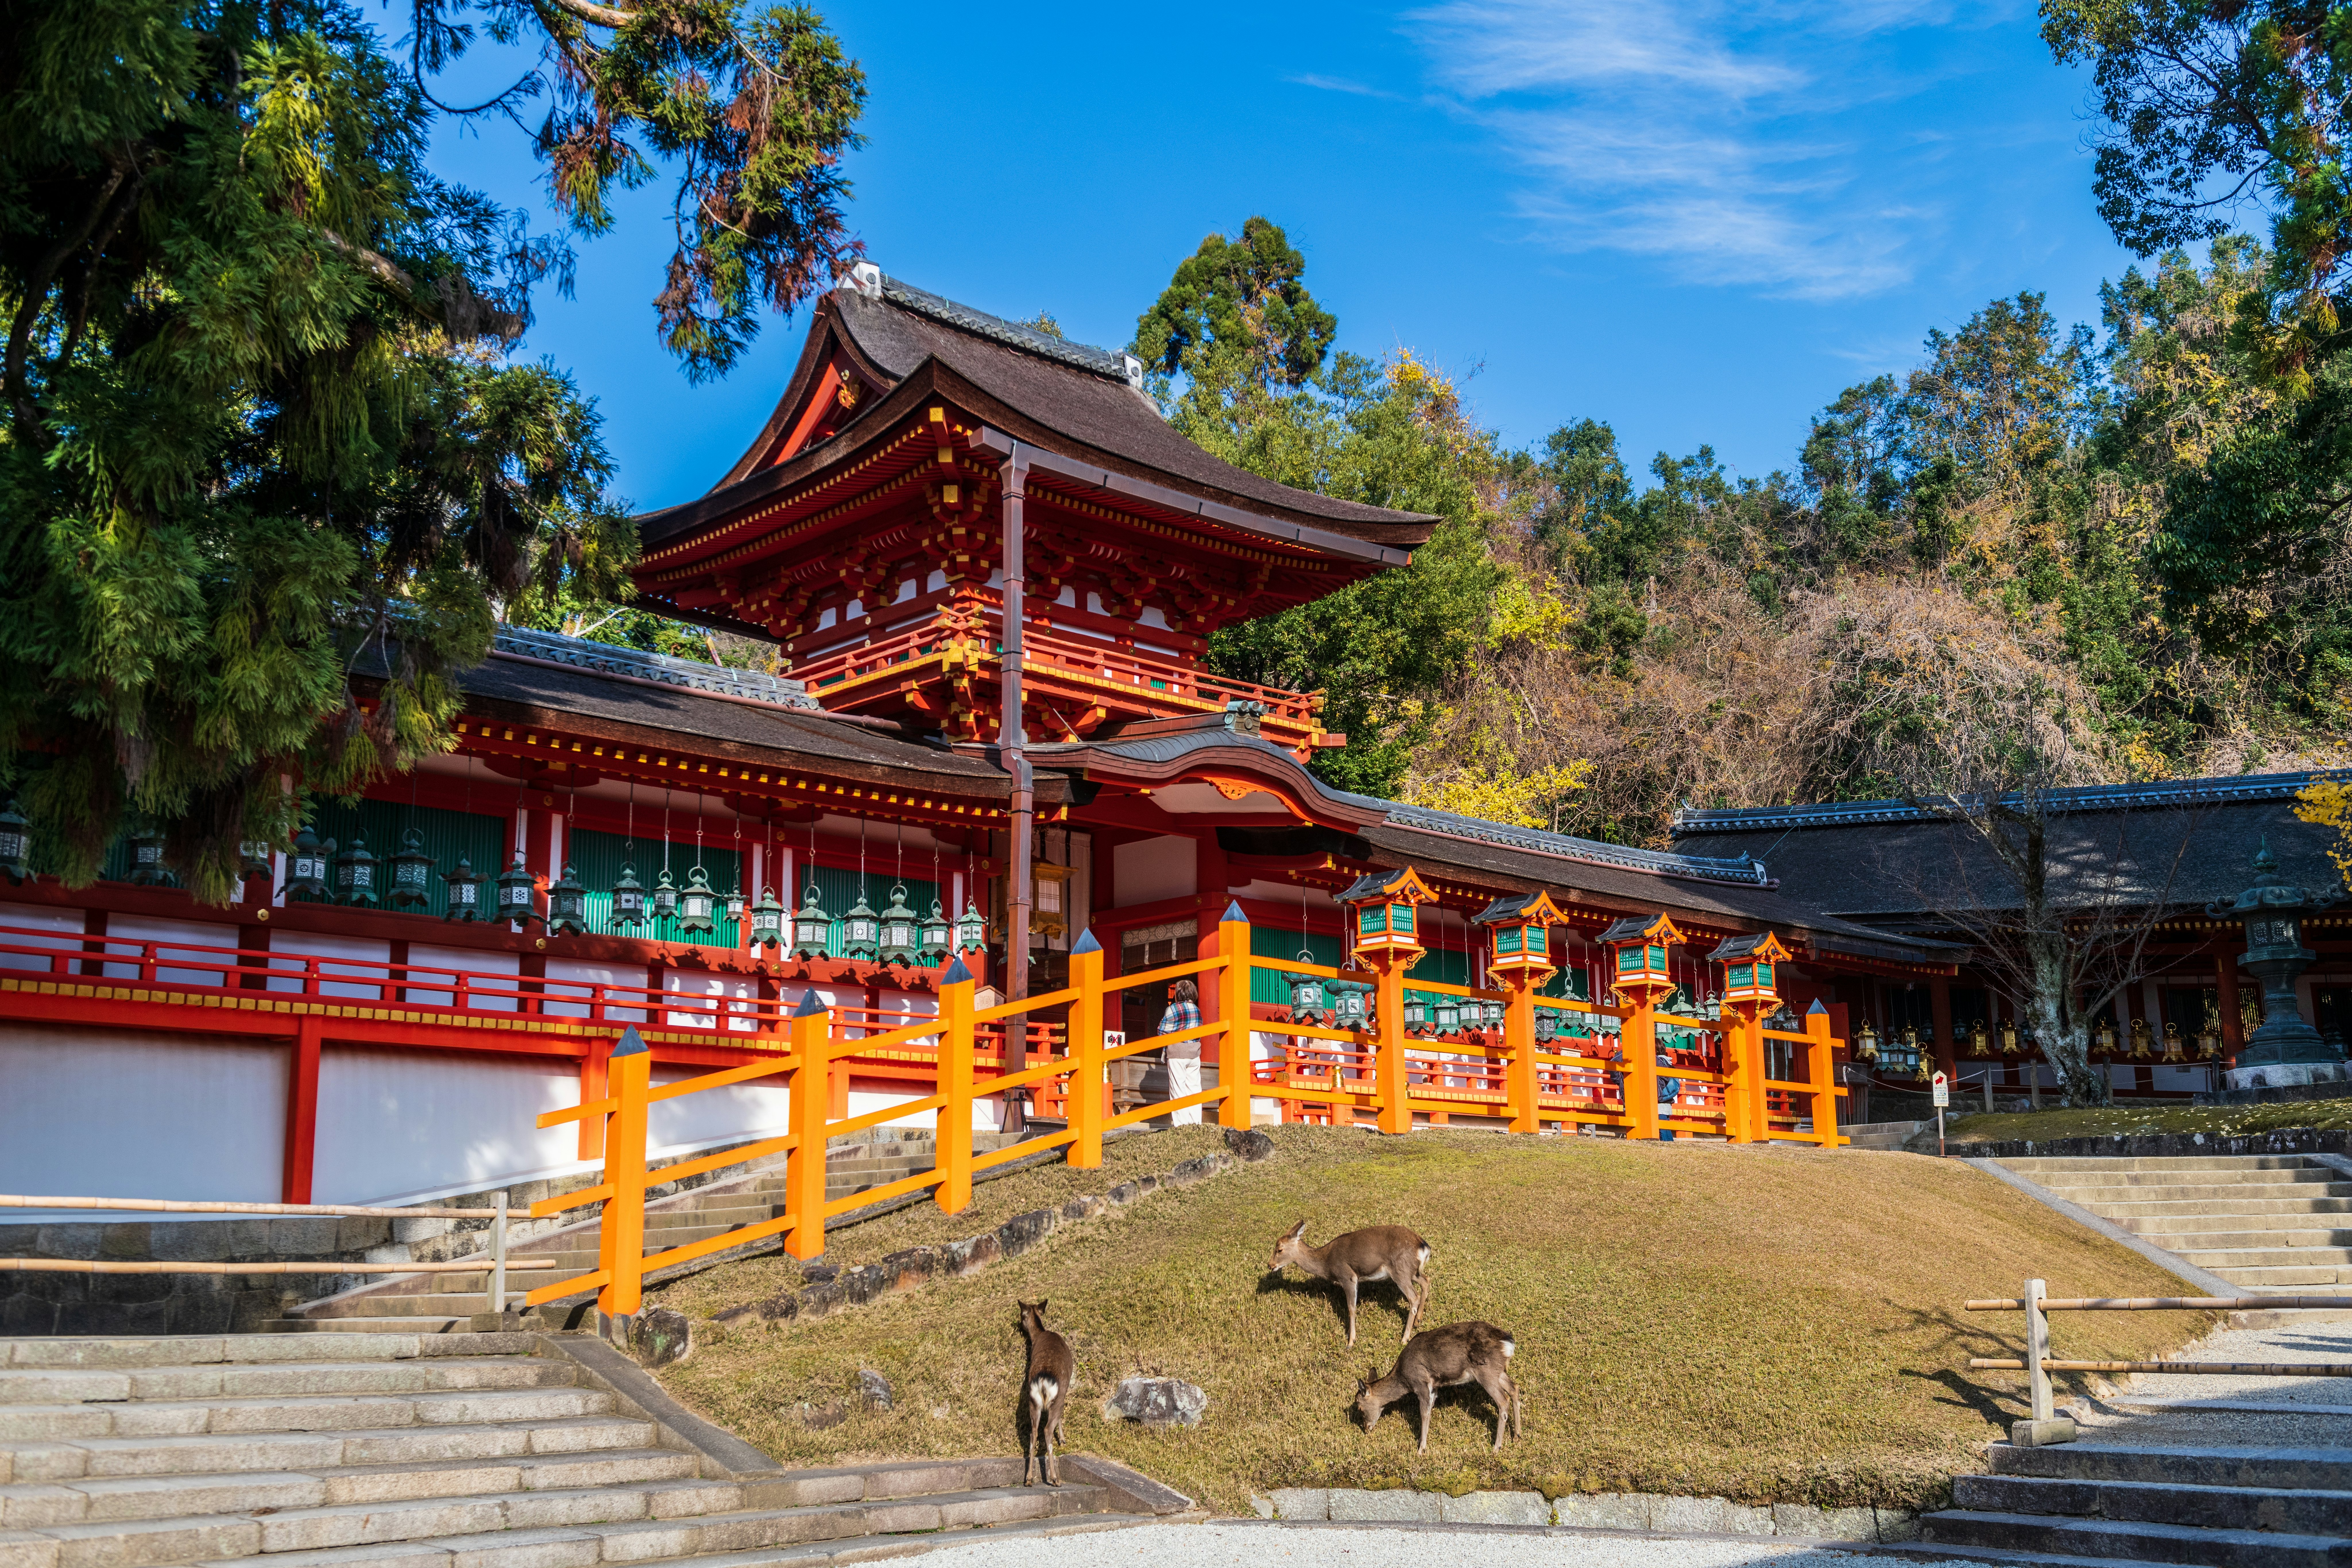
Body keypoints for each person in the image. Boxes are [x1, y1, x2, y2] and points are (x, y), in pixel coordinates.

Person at [1160, 977, 1203, 1125]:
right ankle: (1196, 1123)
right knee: (1194, 1089)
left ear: (1178, 994)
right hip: (1194, 1053)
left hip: (1178, 1053)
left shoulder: (1173, 1009)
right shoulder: (1197, 1010)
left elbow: (1162, 1031)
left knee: (1178, 1090)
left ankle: (1182, 1126)